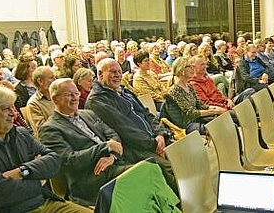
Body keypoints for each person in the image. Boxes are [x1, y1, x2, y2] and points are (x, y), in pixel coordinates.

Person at [0, 86, 91, 213]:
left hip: (44, 203)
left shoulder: (20, 134)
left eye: (13, 107)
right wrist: (39, 180)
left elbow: (54, 160)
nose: (14, 114)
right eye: (6, 109)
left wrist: (23, 171)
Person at [86, 58, 178, 193]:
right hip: (133, 149)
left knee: (184, 156)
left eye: (119, 71)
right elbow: (125, 130)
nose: (118, 75)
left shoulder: (123, 90)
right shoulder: (97, 100)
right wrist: (154, 144)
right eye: (113, 72)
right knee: (173, 169)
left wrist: (160, 134)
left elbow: (147, 113)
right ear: (100, 74)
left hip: (153, 140)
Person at [38, 78, 131, 206]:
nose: (75, 98)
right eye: (69, 94)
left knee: (151, 170)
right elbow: (69, 161)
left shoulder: (88, 114)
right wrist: (106, 147)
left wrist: (112, 156)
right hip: (92, 178)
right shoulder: (50, 129)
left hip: (115, 164)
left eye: (76, 93)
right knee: (144, 176)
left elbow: (112, 135)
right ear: (55, 99)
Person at [164, 57, 226, 133]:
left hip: (197, 118)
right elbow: (190, 113)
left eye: (193, 66)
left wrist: (215, 107)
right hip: (186, 124)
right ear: (181, 70)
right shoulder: (175, 90)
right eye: (189, 66)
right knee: (222, 127)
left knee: (227, 122)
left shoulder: (189, 86)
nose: (193, 69)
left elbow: (200, 105)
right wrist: (214, 111)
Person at [26, 66, 56, 135]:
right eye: (51, 77)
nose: (55, 80)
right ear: (40, 81)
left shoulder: (58, 95)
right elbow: (42, 130)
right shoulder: (33, 103)